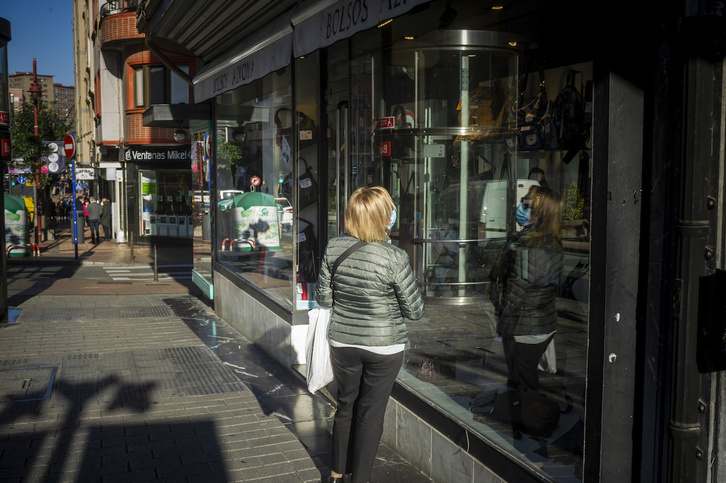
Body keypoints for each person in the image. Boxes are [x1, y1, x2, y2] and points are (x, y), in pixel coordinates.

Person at [315, 187, 425, 483]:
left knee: (345, 405)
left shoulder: (334, 247)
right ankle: (360, 479)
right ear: (383, 217)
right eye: (390, 208)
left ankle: (336, 473)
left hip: (343, 341)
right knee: (370, 415)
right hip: (384, 346)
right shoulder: (395, 257)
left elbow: (323, 300)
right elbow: (415, 312)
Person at [495, 185, 563, 391]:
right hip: (533, 324)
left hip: (525, 327)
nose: (520, 208)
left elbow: (518, 292)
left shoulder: (532, 245)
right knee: (522, 378)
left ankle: (530, 417)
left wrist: (503, 319)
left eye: (526, 205)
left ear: (539, 213)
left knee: (523, 382)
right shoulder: (538, 240)